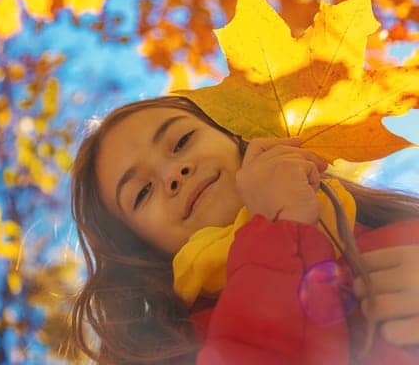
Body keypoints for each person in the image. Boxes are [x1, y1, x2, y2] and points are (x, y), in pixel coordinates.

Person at [65, 95, 419, 363]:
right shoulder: (177, 350)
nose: (173, 175)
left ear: (237, 138)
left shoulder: (398, 226)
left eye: (183, 141)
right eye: (142, 192)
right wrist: (282, 226)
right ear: (139, 249)